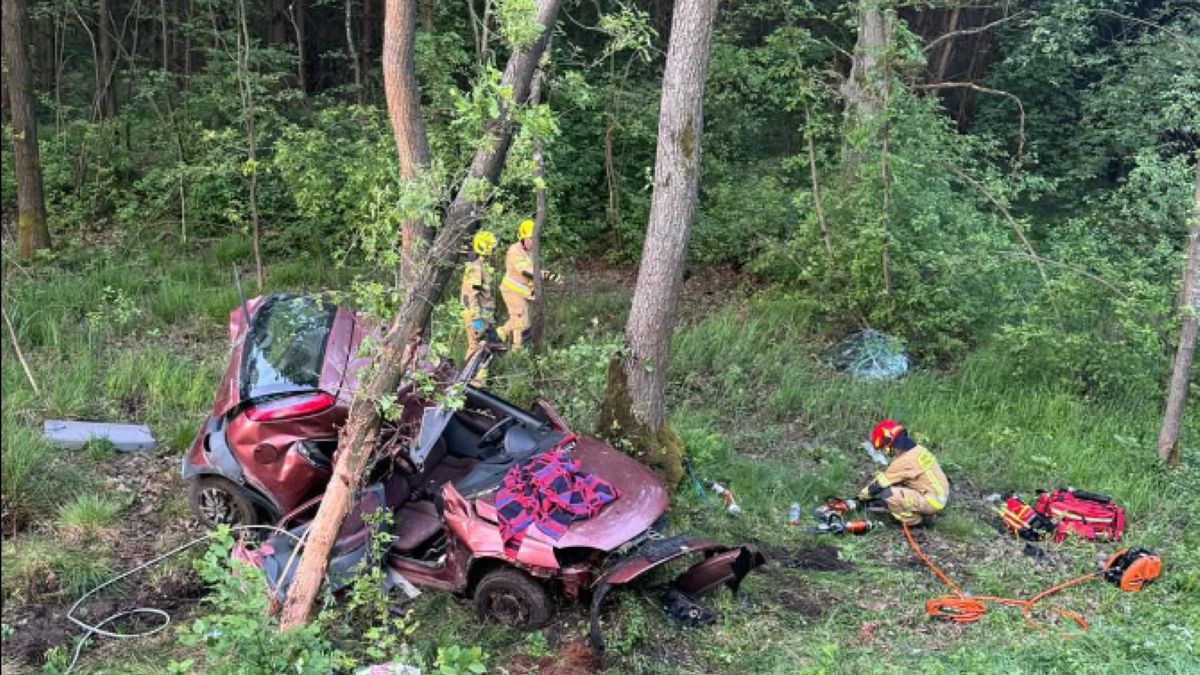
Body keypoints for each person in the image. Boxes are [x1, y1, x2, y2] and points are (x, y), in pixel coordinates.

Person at [857, 420, 949, 525]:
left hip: (932, 501)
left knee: (888, 495)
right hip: (938, 493)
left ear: (889, 441)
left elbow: (880, 483)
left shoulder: (905, 461)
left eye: (882, 446)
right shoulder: (918, 450)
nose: (883, 451)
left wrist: (860, 498)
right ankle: (921, 508)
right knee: (894, 485)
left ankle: (919, 520)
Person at [461, 230, 497, 385]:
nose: (494, 252)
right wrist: (477, 324)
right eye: (492, 249)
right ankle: (475, 384)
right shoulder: (476, 269)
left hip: (483, 315)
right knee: (480, 348)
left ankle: (467, 380)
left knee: (477, 348)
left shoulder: (481, 266)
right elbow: (472, 296)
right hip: (477, 315)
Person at [499, 219, 538, 350]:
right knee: (520, 320)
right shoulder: (514, 251)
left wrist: (533, 288)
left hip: (521, 291)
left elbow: (530, 275)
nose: (533, 242)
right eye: (530, 238)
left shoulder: (529, 252)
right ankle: (517, 349)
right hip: (511, 290)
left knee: (522, 320)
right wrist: (540, 274)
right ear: (522, 238)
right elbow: (525, 271)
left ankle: (499, 335)